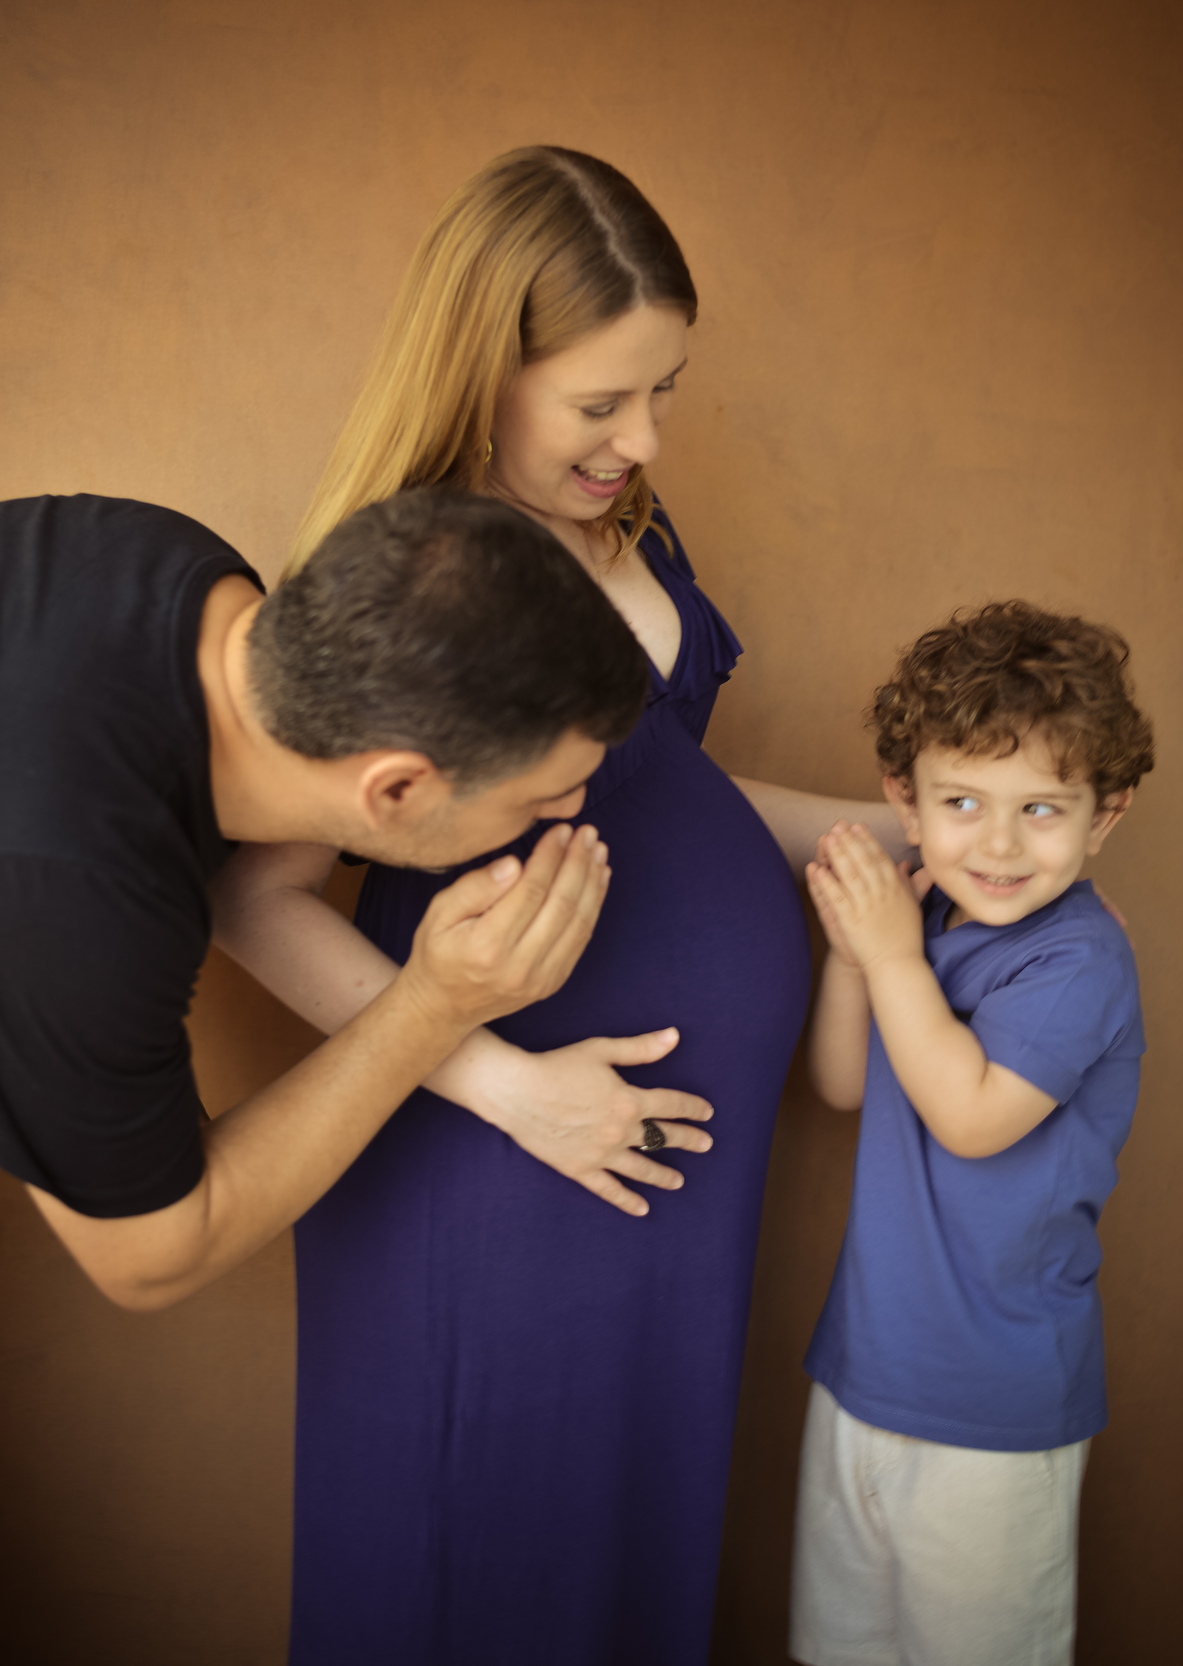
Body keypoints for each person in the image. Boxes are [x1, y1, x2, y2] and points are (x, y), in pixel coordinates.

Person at [213, 146, 911, 1666]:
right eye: (601, 403)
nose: (643, 437)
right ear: (487, 367)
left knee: (617, 1564)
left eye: (665, 390)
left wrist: (922, 836)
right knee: (467, 1561)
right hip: (499, 1145)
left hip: (657, 1177)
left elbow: (675, 801)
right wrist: (508, 1090)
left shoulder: (636, 527)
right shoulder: (403, 572)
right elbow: (253, 897)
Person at [0, 486, 645, 1310]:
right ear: (396, 788)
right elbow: (151, 1257)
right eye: (540, 795)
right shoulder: (72, 895)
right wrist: (433, 1006)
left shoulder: (178, 566)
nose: (571, 811)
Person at [793, 600, 1154, 1666]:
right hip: (865, 1374)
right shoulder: (926, 922)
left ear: (1107, 816)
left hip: (994, 1405)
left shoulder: (1079, 960)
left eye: (1043, 810)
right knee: (845, 1646)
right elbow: (843, 1082)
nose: (996, 844)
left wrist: (894, 957)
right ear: (907, 802)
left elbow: (972, 1117)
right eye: (962, 802)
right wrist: (855, 956)